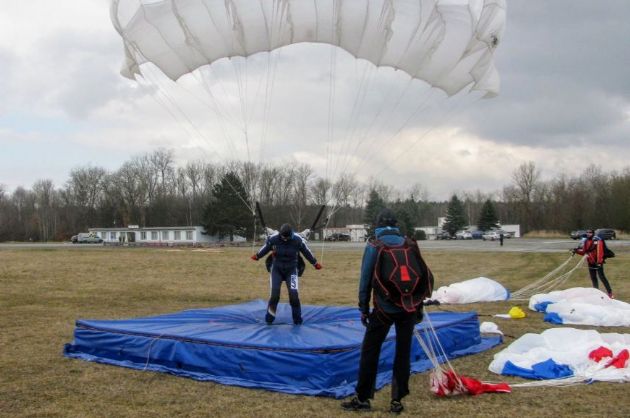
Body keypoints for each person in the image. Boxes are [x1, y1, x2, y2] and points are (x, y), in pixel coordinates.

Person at [341, 208, 432, 414]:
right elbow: (419, 275)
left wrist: (363, 308)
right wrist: (418, 306)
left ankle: (363, 398)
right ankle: (397, 400)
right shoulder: (408, 243)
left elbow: (365, 279)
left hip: (384, 308)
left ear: (378, 224)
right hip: (408, 307)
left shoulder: (375, 244)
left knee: (370, 351)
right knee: (403, 352)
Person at [251, 223, 322, 325]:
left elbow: (307, 252)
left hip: (291, 270)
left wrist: (315, 263)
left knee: (294, 295)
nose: (284, 239)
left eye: (286, 238)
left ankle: (297, 320)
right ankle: (269, 319)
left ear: (290, 235)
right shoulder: (274, 238)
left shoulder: (298, 240)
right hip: (276, 270)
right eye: (283, 237)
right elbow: (266, 248)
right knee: (274, 295)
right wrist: (257, 256)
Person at [573, 229, 613, 298]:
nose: (588, 234)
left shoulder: (597, 241)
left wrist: (599, 262)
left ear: (593, 233)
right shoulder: (586, 241)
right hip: (590, 262)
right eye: (587, 232)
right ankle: (596, 293)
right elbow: (584, 252)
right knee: (593, 278)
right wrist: (576, 251)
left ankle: (610, 293)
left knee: (602, 277)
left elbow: (600, 252)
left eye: (590, 232)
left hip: (598, 262)